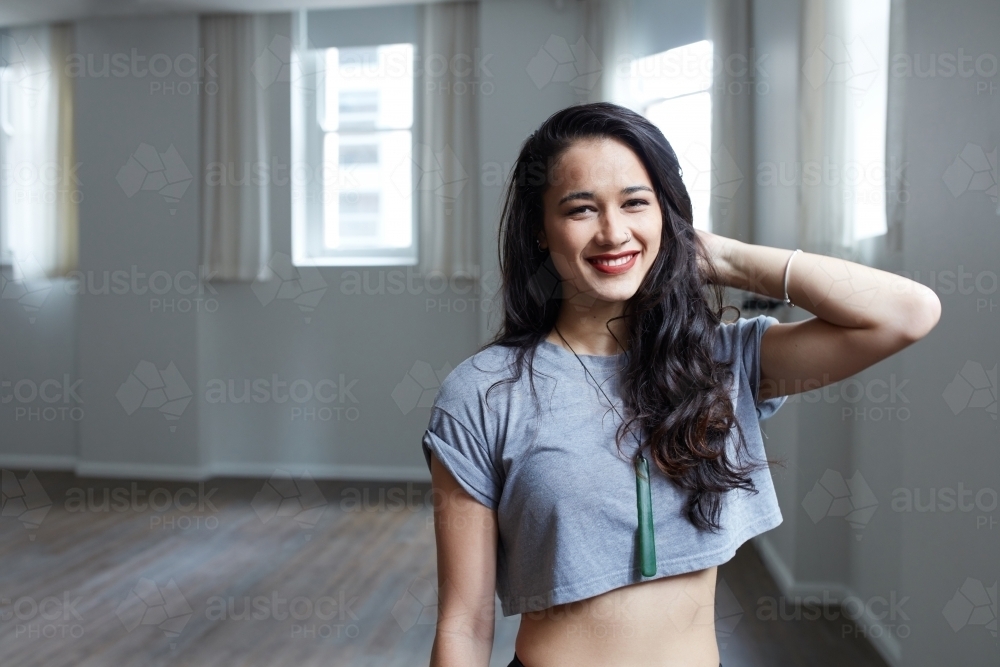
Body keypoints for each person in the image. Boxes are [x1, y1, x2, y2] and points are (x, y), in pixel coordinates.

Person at [421, 102, 940, 667]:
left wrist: (726, 257)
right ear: (540, 230)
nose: (613, 232)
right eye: (580, 209)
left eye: (636, 203)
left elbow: (906, 313)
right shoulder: (483, 392)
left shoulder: (720, 360)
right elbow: (464, 624)